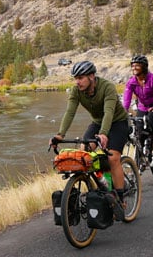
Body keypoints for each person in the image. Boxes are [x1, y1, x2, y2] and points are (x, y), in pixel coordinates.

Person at [51, 60, 129, 199]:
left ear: (92, 76)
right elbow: (70, 112)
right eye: (75, 78)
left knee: (113, 159)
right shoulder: (76, 91)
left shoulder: (107, 87)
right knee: (84, 154)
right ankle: (102, 182)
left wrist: (104, 134)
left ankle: (120, 198)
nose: (77, 82)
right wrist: (60, 135)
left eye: (80, 78)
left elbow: (108, 112)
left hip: (118, 122)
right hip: (98, 123)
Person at [121, 54, 153, 154]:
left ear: (144, 66)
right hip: (142, 108)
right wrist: (124, 110)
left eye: (137, 65)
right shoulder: (131, 82)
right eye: (132, 66)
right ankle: (142, 155)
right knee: (139, 129)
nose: (134, 68)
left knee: (150, 121)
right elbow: (126, 98)